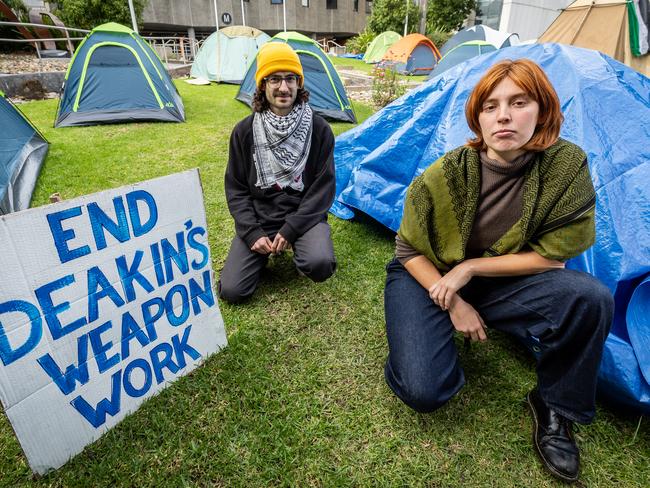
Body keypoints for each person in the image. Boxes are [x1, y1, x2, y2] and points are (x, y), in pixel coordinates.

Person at [383, 59, 613, 483]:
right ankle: (411, 342)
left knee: (590, 296)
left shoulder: (564, 166)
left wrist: (470, 268)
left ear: (542, 110)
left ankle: (555, 406)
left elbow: (554, 257)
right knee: (425, 389)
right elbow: (406, 249)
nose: (503, 115)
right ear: (478, 118)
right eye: (490, 106)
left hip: (492, 279)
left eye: (518, 102)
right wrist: (452, 301)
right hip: (426, 272)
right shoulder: (448, 173)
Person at [219, 42, 337, 303]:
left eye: (290, 79)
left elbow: (322, 189)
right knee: (232, 291)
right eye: (275, 79)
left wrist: (292, 229)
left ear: (299, 84)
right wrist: (251, 233)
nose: (283, 88)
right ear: (263, 85)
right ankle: (260, 252)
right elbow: (236, 189)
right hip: (260, 218)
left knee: (320, 263)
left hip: (303, 216)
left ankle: (300, 247)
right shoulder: (244, 131)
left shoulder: (319, 130)